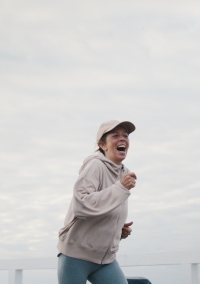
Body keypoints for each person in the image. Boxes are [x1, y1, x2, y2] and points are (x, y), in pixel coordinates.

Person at [57, 120, 138, 284]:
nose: (122, 139)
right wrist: (121, 188)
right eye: (115, 135)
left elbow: (105, 207)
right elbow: (82, 204)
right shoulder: (95, 165)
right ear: (102, 144)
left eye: (125, 135)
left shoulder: (124, 173)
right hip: (76, 256)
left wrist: (116, 229)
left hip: (106, 260)